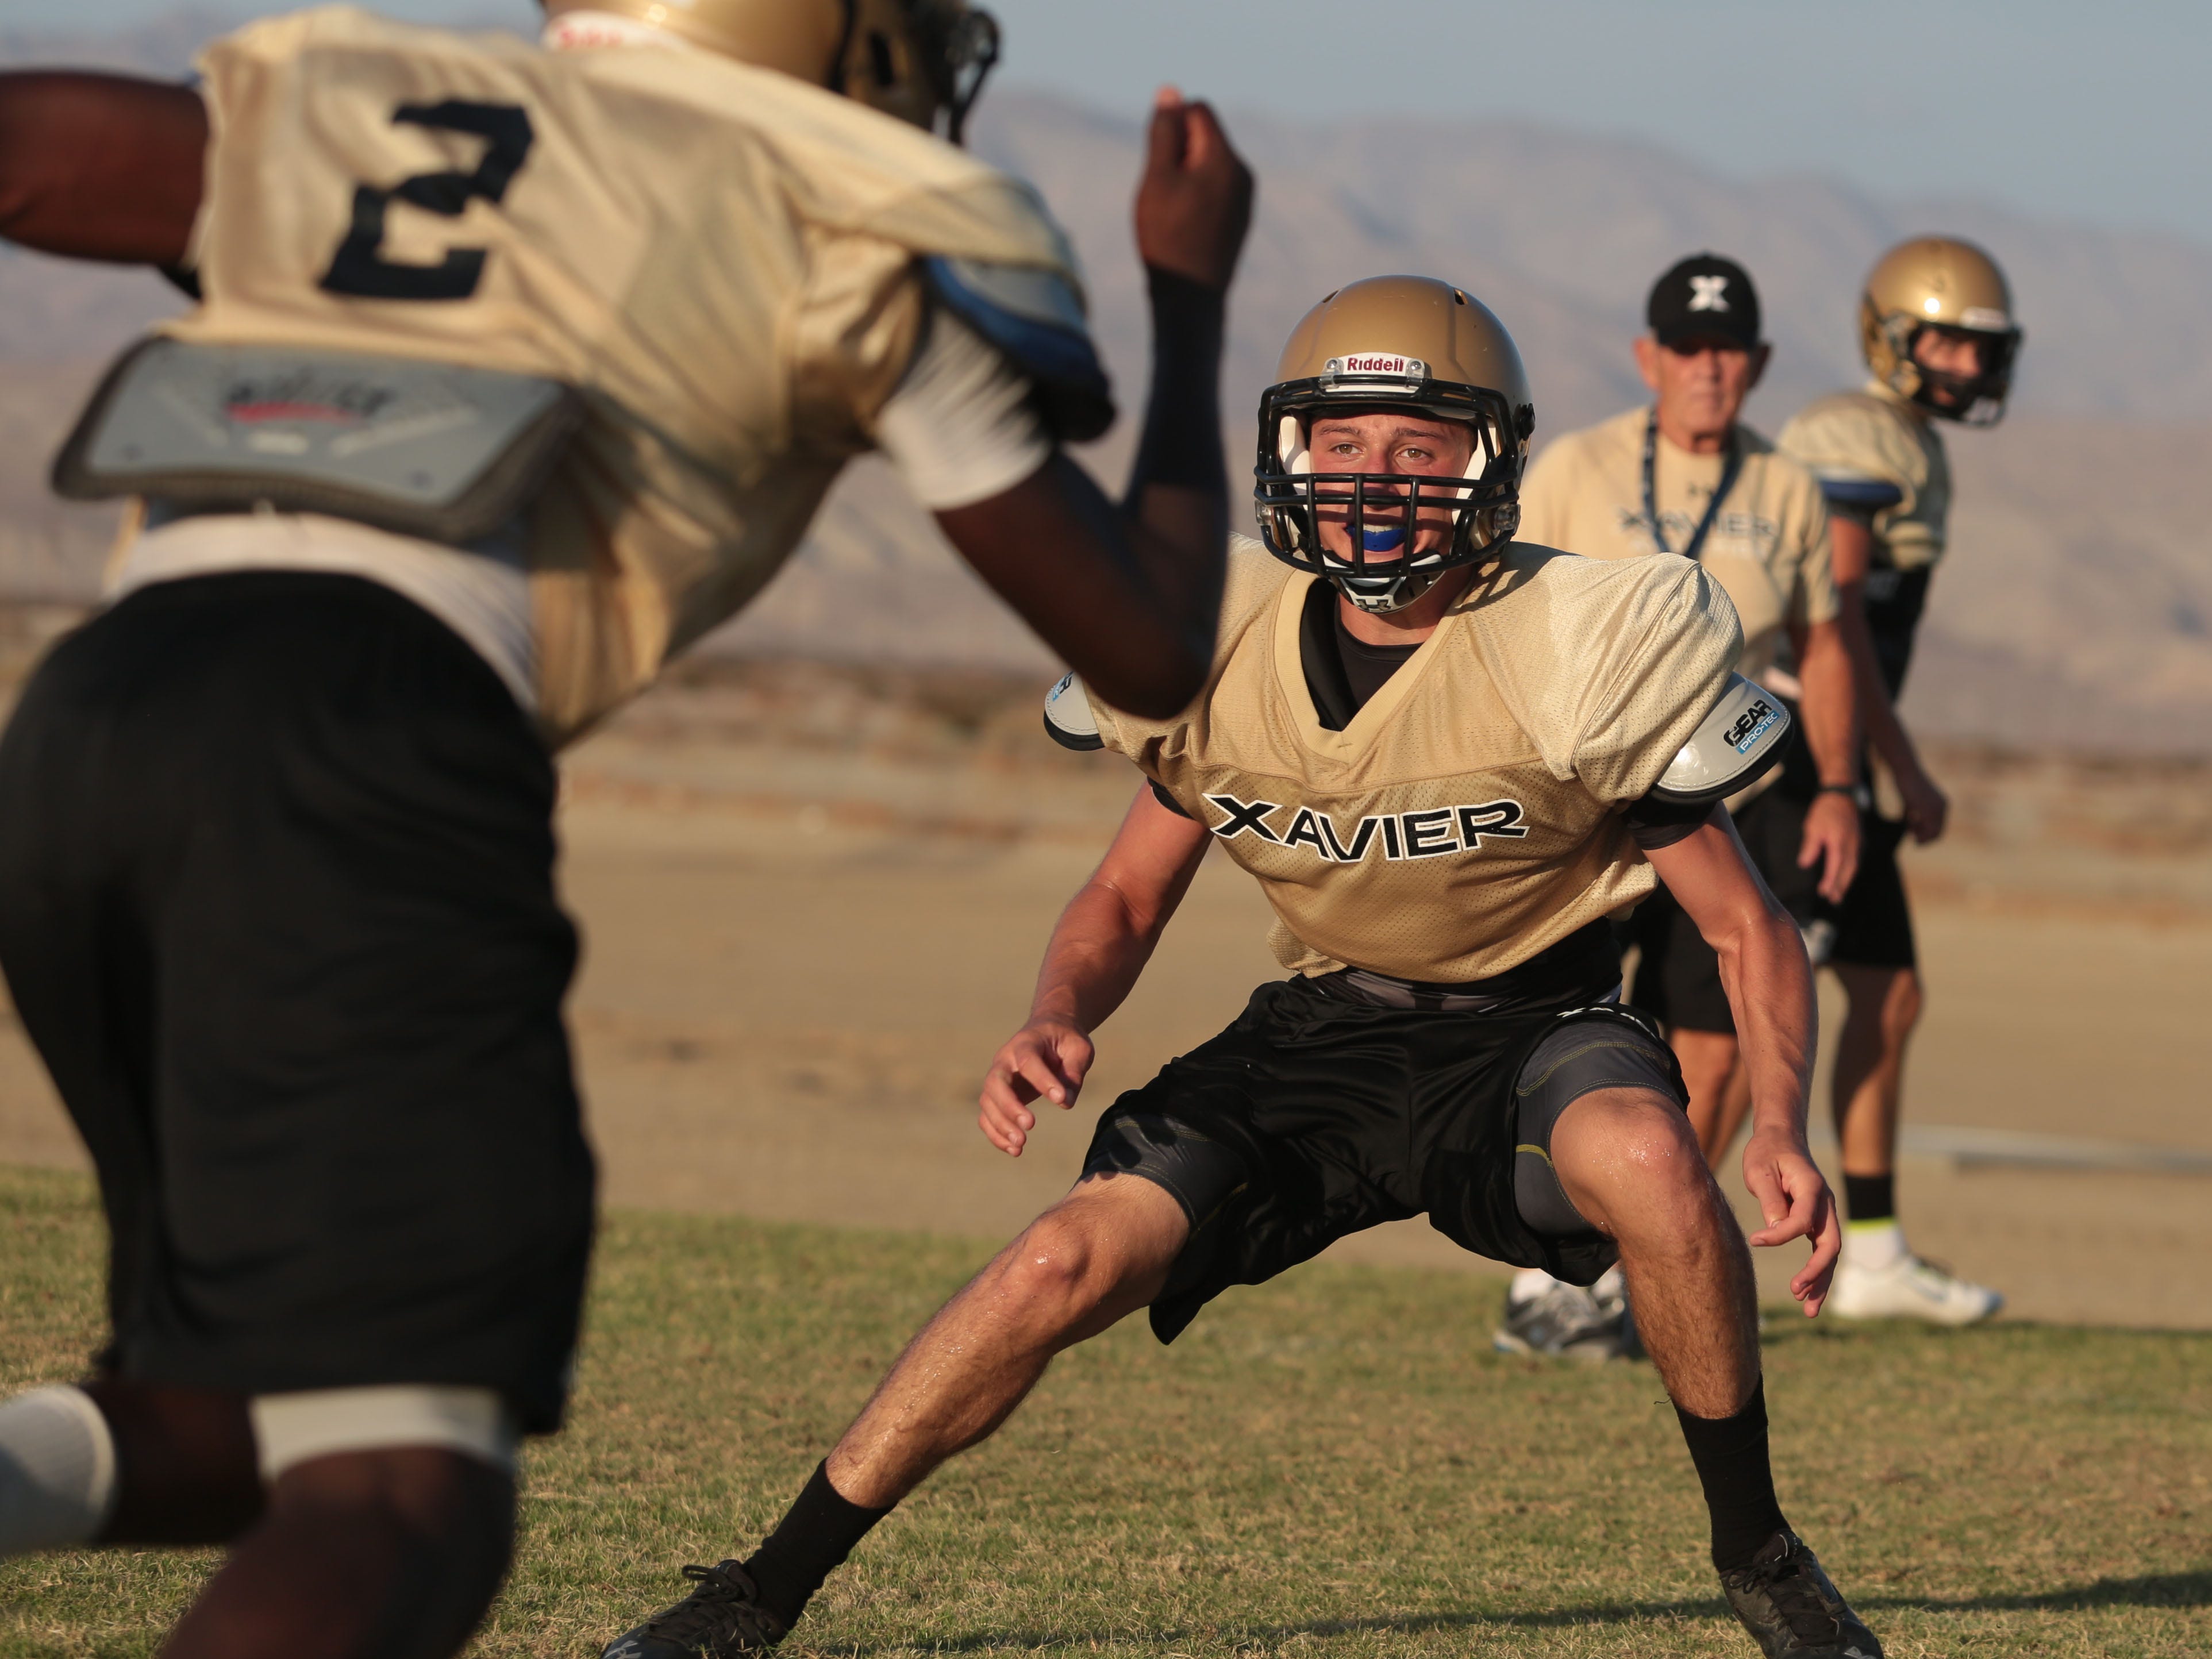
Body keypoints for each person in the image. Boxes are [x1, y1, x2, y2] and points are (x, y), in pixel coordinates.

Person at [0, 0, 1253, 1652]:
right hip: (375, 740)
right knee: (401, 1490)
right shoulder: (845, 218)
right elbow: (1151, 645)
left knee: (242, 1421)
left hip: (89, 716)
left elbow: (28, 147)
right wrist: (1187, 296)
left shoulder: (383, 108)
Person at [600, 277, 1880, 1659]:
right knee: (1052, 1262)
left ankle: (1757, 1556)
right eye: (1342, 444)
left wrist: (1787, 1127)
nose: (1373, 479)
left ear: (1487, 459)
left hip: (1530, 1030)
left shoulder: (1581, 639)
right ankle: (754, 1595)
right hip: (1321, 1036)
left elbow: (1744, 926)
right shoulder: (1212, 635)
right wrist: (1054, 1011)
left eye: (1415, 445)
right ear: (1288, 454)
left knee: (1650, 1159)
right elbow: (1124, 892)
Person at [1510, 253, 1861, 1357]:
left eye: (1730, 352)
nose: (1709, 371)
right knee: (1557, 1026)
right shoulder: (1573, 467)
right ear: (1648, 358)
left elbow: (1823, 645)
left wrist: (1843, 787)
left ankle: (1625, 1265)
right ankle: (1543, 1276)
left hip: (1730, 799)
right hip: (1590, 794)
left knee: (1710, 1053)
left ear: (1755, 365)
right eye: (1688, 349)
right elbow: (1507, 614)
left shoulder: (1785, 489)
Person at [1771, 237, 2022, 1325]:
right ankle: (1583, 1261)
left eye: (1979, 345)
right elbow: (1832, 626)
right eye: (1944, 341)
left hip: (1845, 764)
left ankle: (1871, 1253)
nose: (1964, 364)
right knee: (1733, 1023)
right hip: (1792, 752)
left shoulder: (1911, 441)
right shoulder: (1850, 433)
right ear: (1889, 334)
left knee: (1888, 993)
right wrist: (1895, 762)